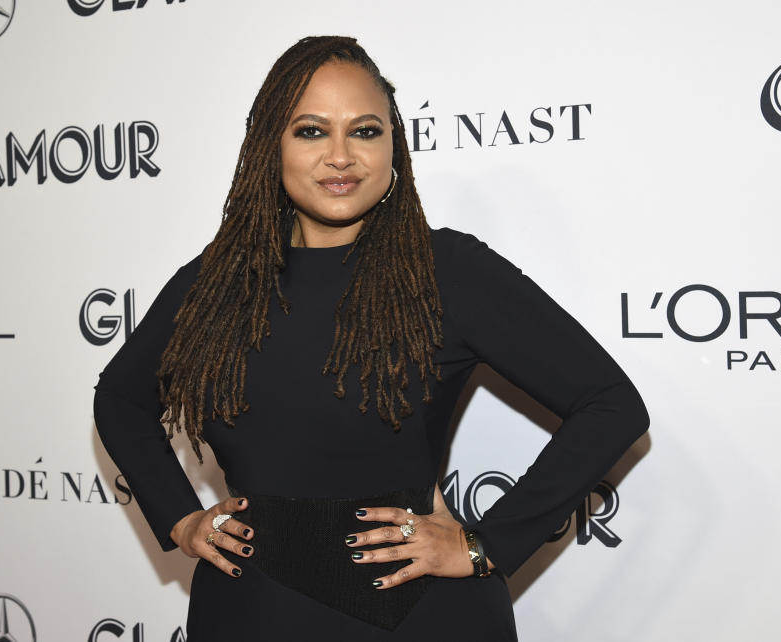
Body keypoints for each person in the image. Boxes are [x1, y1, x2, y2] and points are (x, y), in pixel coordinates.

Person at [93, 35, 649, 641]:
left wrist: (485, 544)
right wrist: (180, 518)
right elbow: (121, 400)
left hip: (416, 619)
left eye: (364, 131)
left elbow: (611, 405)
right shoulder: (214, 282)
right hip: (248, 613)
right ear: (269, 146)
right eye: (310, 131)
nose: (341, 156)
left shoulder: (445, 270)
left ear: (394, 147)